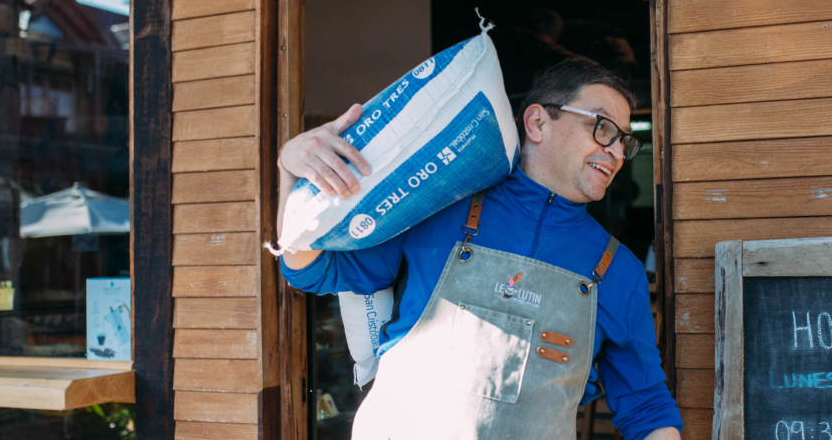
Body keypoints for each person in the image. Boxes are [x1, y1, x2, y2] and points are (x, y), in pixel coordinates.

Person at [277, 58, 683, 439]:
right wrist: (291, 174)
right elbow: (310, 269)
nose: (616, 151)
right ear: (538, 122)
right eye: (603, 128)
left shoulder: (619, 271)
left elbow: (647, 406)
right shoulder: (438, 210)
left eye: (624, 142)